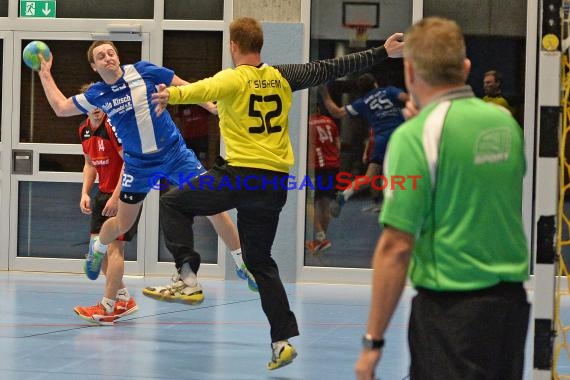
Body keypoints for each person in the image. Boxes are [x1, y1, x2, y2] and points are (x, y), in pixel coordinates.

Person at [150, 17, 404, 370]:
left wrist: (170, 94)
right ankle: (281, 341)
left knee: (174, 203)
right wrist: (382, 51)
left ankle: (188, 276)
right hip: (272, 183)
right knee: (261, 262)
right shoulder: (284, 75)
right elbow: (332, 67)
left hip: (239, 175)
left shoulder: (233, 77)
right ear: (260, 45)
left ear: (234, 46)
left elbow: (200, 89)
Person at [354, 17, 530, 380]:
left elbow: (396, 247)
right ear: (465, 68)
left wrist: (373, 344)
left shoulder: (414, 137)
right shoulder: (505, 124)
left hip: (451, 313)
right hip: (511, 310)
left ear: (409, 71)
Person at [36, 41, 257, 318]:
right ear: (94, 66)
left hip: (175, 154)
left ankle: (242, 263)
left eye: (111, 53)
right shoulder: (98, 94)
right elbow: (60, 107)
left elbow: (181, 84)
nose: (108, 58)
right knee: (120, 224)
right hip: (138, 165)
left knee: (214, 207)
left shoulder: (143, 71)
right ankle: (97, 249)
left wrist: (209, 105)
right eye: (101, 56)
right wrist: (45, 73)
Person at [73, 83, 139, 324]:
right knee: (96, 252)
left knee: (114, 249)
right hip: (102, 193)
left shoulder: (113, 126)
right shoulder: (83, 130)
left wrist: (116, 197)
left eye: (101, 103)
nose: (97, 108)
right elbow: (90, 163)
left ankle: (107, 308)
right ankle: (124, 299)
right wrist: (85, 192)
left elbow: (129, 161)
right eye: (92, 103)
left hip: (124, 192)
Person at [320, 73, 408, 216]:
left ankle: (345, 194)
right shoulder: (389, 91)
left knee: (368, 178)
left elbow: (336, 112)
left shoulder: (363, 102)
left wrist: (324, 93)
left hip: (380, 140)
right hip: (399, 136)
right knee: (408, 171)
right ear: (375, 84)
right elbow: (409, 99)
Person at [305, 101, 341, 254]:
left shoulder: (307, 124)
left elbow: (308, 147)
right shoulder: (330, 122)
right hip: (332, 166)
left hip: (317, 168)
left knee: (307, 204)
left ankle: (321, 237)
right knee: (324, 205)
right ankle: (321, 240)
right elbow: (338, 145)